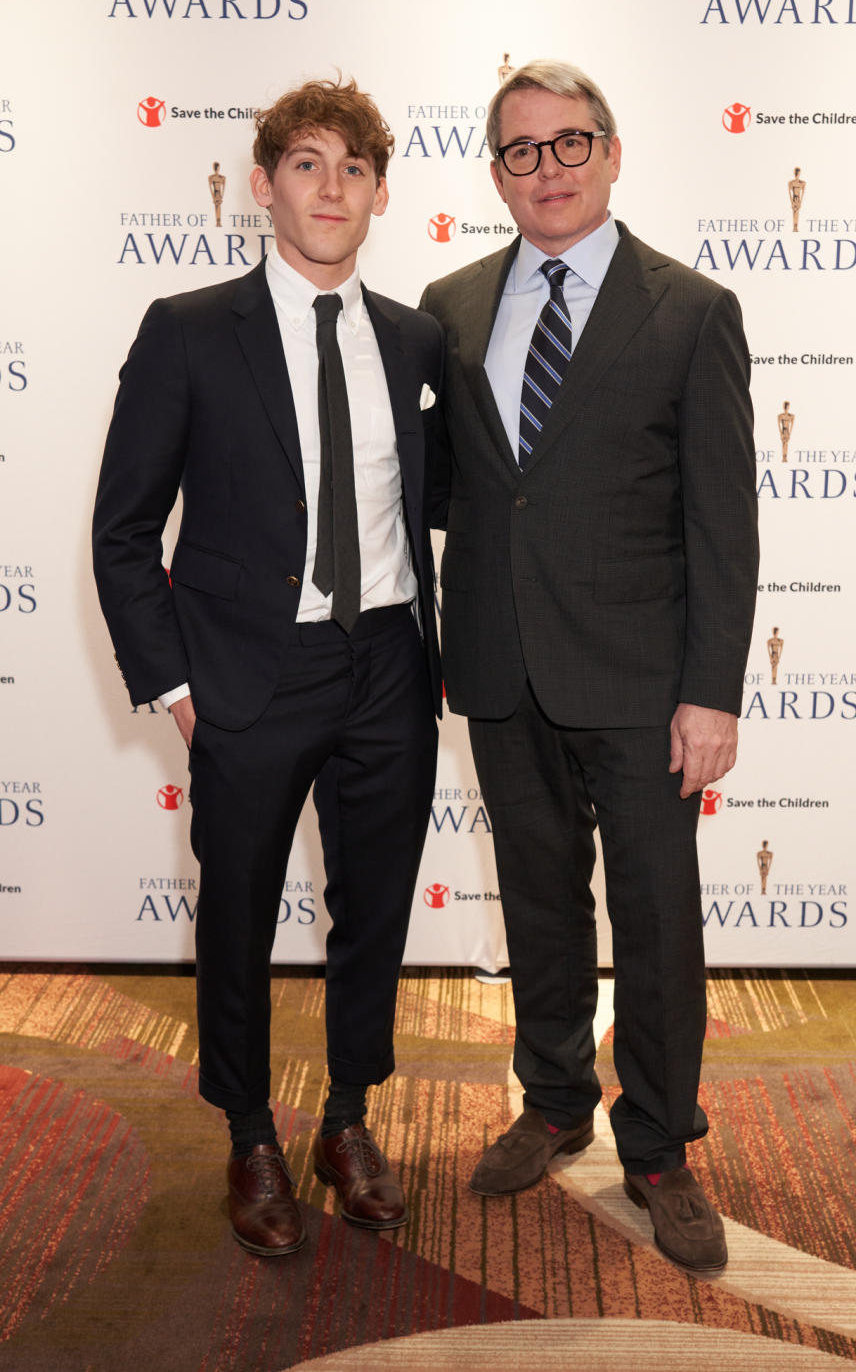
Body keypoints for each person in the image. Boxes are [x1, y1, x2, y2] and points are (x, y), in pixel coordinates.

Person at [93, 77, 443, 1257]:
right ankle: (249, 1129)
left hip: (388, 662)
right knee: (237, 914)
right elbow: (123, 529)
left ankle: (348, 1119)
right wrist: (179, 687)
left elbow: (435, 502)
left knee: (374, 909)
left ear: (381, 193)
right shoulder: (188, 330)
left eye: (353, 167)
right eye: (306, 162)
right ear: (263, 184)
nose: (330, 185)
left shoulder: (414, 338)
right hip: (247, 675)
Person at [421, 61, 758, 1274]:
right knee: (539, 903)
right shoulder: (449, 305)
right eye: (523, 150)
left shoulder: (692, 307)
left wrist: (713, 688)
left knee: (659, 921)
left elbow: (725, 517)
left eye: (572, 143)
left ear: (613, 154)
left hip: (644, 682)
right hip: (504, 673)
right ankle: (556, 1098)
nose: (549, 168)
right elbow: (442, 490)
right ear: (498, 174)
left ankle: (660, 1145)